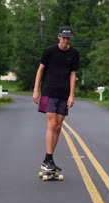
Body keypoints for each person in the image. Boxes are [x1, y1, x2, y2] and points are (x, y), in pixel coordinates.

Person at [33, 26, 80, 172]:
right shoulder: (50, 51)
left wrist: (72, 95)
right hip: (49, 91)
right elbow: (40, 69)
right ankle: (48, 159)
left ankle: (48, 160)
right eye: (64, 37)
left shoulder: (74, 54)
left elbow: (73, 74)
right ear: (58, 37)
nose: (66, 40)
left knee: (58, 127)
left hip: (64, 93)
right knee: (52, 124)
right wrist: (36, 90)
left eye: (68, 38)